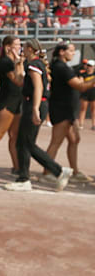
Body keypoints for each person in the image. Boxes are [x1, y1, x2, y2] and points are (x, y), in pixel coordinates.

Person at [4, 39, 74, 192]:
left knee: (24, 143)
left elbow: (38, 87)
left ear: (30, 48)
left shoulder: (34, 65)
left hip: (35, 104)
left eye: (24, 48)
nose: (22, 50)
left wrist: (35, 108)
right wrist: (18, 63)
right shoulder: (33, 64)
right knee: (25, 143)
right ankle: (51, 172)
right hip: (35, 104)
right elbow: (19, 81)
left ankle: (33, 176)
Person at [41, 42, 95, 183]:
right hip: (62, 110)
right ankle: (47, 172)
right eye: (71, 50)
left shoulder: (63, 66)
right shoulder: (61, 67)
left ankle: (75, 172)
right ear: (61, 52)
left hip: (68, 110)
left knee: (74, 139)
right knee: (56, 142)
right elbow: (80, 86)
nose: (73, 53)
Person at [0, 36, 24, 175]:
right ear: (8, 47)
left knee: (14, 136)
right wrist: (20, 64)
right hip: (7, 101)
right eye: (17, 45)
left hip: (16, 101)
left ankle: (17, 167)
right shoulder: (6, 62)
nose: (19, 47)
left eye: (20, 44)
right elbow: (19, 81)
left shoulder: (12, 61)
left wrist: (19, 63)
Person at [78, 60, 95, 130]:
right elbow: (81, 83)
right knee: (83, 109)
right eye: (88, 66)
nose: (89, 67)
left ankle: (94, 125)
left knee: (93, 109)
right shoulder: (82, 74)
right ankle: (81, 124)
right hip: (85, 94)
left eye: (91, 66)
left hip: (93, 93)